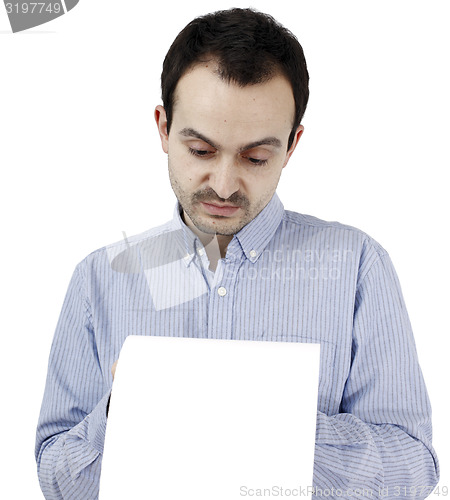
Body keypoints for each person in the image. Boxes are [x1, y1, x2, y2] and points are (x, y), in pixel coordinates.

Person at [35, 7, 439, 499]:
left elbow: (414, 468)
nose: (224, 185)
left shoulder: (357, 267)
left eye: (255, 157)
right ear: (163, 128)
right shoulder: (101, 278)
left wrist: (260, 421)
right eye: (201, 151)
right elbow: (55, 478)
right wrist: (125, 411)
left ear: (292, 146)